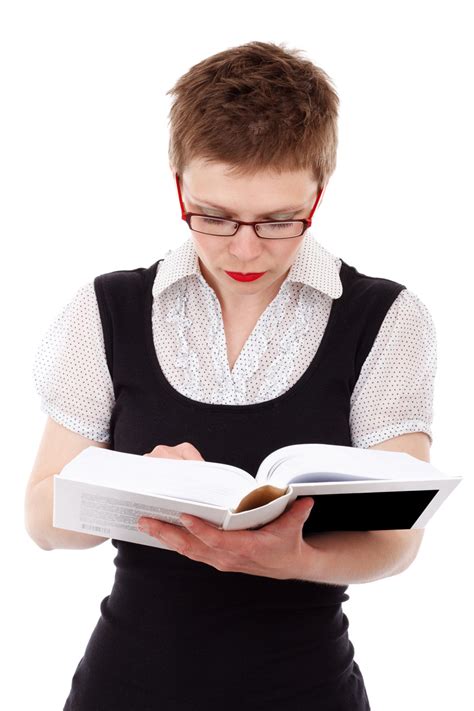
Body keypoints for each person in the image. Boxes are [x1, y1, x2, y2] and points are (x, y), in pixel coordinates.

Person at [25, 41, 436, 710]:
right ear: (179, 185)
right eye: (214, 216)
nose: (245, 248)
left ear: (318, 192)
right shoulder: (109, 308)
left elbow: (398, 537)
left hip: (307, 689)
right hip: (125, 687)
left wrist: (296, 560)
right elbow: (42, 522)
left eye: (279, 220)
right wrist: (135, 486)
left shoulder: (385, 318)